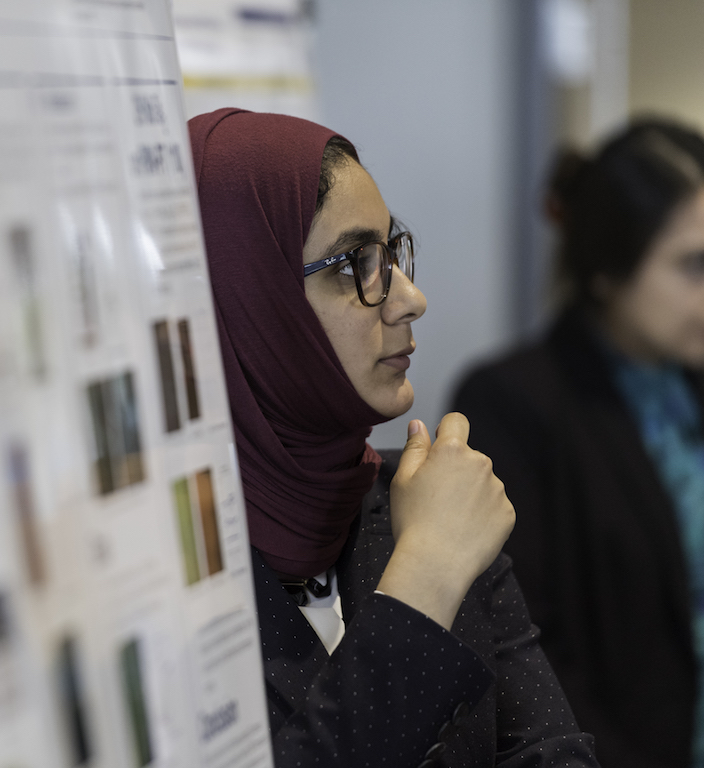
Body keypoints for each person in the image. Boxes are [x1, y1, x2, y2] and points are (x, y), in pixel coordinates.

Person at [191, 107, 598, 766]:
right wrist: (423, 582)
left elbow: (557, 756)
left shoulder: (409, 498)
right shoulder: (166, 569)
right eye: (357, 263)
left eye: (390, 251)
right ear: (246, 295)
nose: (409, 297)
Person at [453, 120, 704, 768]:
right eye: (693, 266)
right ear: (606, 268)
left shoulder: (690, 384)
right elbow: (528, 654)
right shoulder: (513, 406)